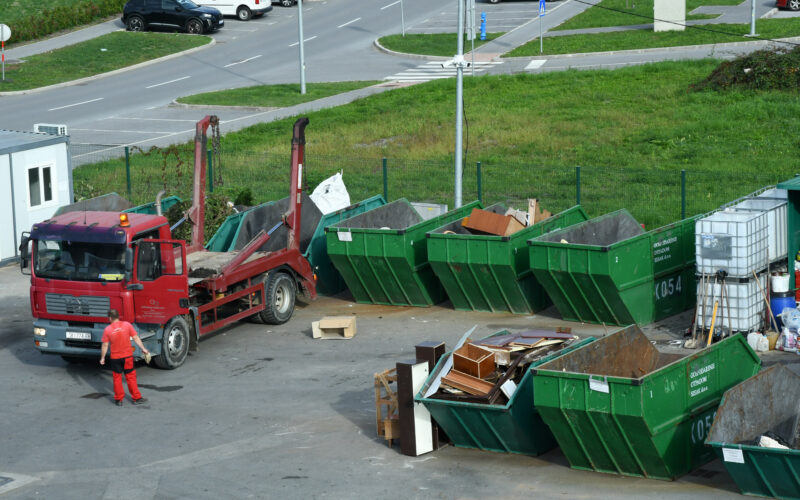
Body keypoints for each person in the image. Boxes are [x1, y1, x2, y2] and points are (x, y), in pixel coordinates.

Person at [100, 309, 150, 406]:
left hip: (115, 358)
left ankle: (119, 400)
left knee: (117, 378)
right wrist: (143, 349)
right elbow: (135, 338)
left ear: (110, 318)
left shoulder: (108, 329)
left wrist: (102, 358)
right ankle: (136, 398)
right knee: (131, 377)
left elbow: (105, 345)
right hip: (127, 357)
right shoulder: (127, 325)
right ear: (118, 316)